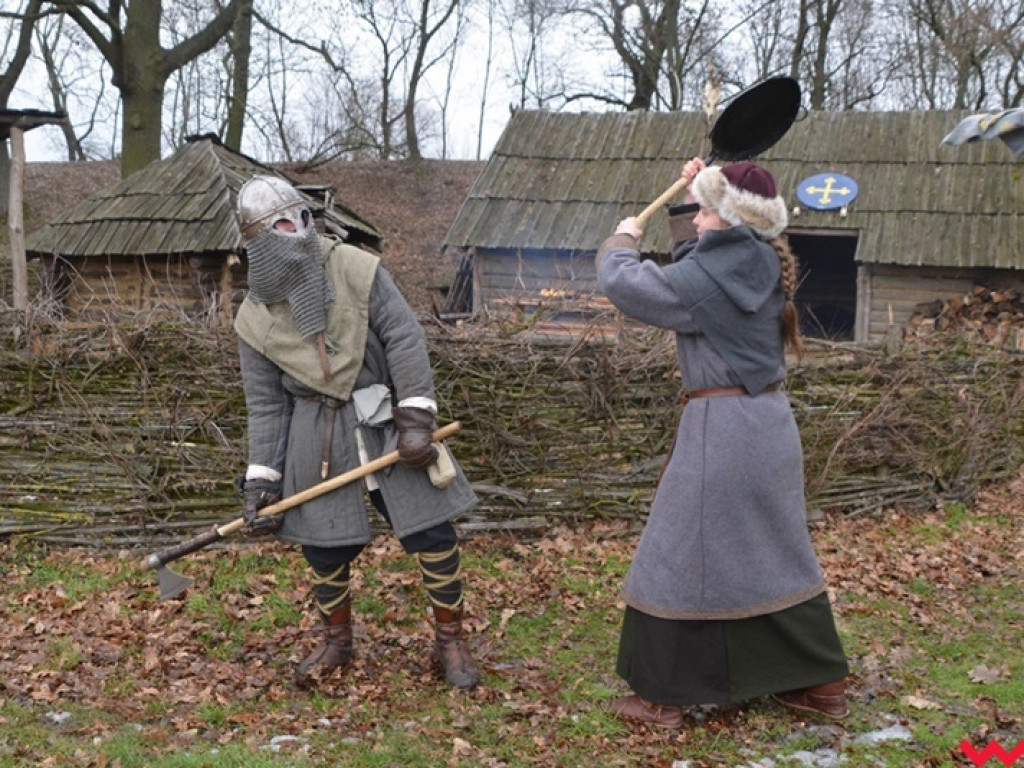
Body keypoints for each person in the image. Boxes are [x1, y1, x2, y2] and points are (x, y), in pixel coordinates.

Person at [596, 157, 849, 728]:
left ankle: (663, 696)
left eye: (707, 209)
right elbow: (698, 253)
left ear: (731, 219)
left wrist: (622, 239)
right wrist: (695, 190)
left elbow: (625, 284)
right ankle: (820, 684)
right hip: (765, 427)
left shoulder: (714, 278)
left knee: (675, 557)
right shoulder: (752, 260)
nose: (699, 219)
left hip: (724, 432)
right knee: (776, 556)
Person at [233, 175, 481, 690]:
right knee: (323, 547)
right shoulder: (253, 319)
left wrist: (415, 420)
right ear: (258, 240)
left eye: (302, 217)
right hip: (312, 429)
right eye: (282, 224)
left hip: (382, 419)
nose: (297, 230)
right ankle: (337, 643)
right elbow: (265, 405)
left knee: (432, 532)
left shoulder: (356, 267)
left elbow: (405, 338)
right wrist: (262, 479)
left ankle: (451, 641)